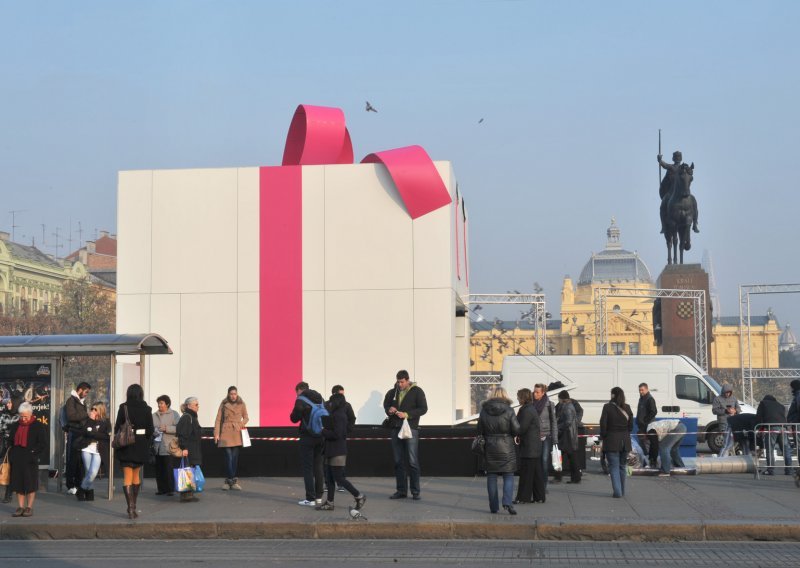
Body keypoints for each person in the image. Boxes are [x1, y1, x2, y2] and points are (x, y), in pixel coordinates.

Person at [316, 392, 366, 512]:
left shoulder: (339, 415)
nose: (330, 404)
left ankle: (359, 496)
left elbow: (337, 434)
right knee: (330, 477)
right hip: (331, 450)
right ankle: (329, 502)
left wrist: (324, 431)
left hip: (337, 451)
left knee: (339, 478)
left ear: (337, 402)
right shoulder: (337, 414)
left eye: (332, 402)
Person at [383, 370, 428, 500]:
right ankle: (401, 490)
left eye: (402, 382)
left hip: (411, 429)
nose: (400, 384)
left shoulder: (417, 391)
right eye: (398, 382)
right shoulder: (392, 392)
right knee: (398, 461)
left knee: (412, 461)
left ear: (408, 380)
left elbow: (423, 408)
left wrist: (407, 414)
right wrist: (389, 410)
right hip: (395, 428)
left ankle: (415, 491)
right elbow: (386, 405)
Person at [477, 387, 520, 515]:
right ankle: (507, 503)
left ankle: (493, 507)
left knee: (491, 477)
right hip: (506, 446)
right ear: (505, 396)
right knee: (508, 475)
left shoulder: (484, 410)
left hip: (490, 446)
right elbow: (517, 429)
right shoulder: (509, 410)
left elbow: (479, 429)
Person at [115, 384, 154, 519]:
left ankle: (130, 508)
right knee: (136, 476)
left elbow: (117, 427)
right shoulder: (147, 409)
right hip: (141, 445)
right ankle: (134, 506)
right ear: (141, 394)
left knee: (127, 477)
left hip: (126, 444)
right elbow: (150, 430)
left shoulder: (123, 407)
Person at [8, 402, 47, 517]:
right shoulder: (16, 425)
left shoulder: (38, 426)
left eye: (25, 416)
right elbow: (10, 440)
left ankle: (29, 507)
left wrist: (33, 453)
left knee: (30, 484)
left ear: (31, 414)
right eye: (21, 416)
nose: (23, 418)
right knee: (18, 484)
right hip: (17, 458)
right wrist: (12, 453)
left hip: (30, 459)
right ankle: (20, 507)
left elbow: (43, 444)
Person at [290, 381, 325, 507]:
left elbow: (294, 418)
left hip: (307, 436)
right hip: (321, 436)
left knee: (307, 468)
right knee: (318, 466)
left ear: (299, 390)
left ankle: (310, 498)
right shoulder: (320, 398)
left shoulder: (301, 400)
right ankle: (319, 497)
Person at [599, 387, 633, 498]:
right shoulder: (627, 408)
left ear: (613, 395)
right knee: (622, 467)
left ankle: (617, 492)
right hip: (625, 441)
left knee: (613, 467)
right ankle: (622, 491)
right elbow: (631, 427)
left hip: (612, 441)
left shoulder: (607, 407)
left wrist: (603, 436)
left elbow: (603, 425)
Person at [214, 386, 249, 491]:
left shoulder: (241, 403)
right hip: (226, 432)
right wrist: (216, 433)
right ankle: (231, 480)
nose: (233, 396)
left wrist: (240, 424)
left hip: (237, 432)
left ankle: (231, 481)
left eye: (235, 394)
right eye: (231, 394)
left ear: (237, 394)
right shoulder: (224, 404)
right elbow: (218, 419)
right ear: (228, 394)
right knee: (228, 457)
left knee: (234, 458)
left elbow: (246, 417)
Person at [514, 388, 544, 504]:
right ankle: (539, 497)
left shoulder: (526, 410)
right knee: (536, 474)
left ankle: (523, 498)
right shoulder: (530, 409)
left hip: (529, 447)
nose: (517, 398)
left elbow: (522, 428)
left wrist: (514, 431)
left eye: (518, 396)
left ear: (523, 397)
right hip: (534, 447)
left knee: (526, 474)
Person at [658, 151, 699, 233]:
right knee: (663, 206)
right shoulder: (673, 167)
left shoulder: (683, 169)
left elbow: (665, 165)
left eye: (678, 157)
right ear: (674, 158)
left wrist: (660, 160)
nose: (677, 159)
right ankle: (663, 226)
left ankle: (694, 224)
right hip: (671, 192)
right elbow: (665, 165)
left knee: (693, 202)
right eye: (677, 157)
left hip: (683, 192)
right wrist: (660, 160)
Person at [77, 402, 111, 501]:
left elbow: (106, 436)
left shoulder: (105, 421)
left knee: (93, 473)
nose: (92, 411)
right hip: (87, 448)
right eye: (92, 409)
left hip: (98, 450)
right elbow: (84, 432)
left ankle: (81, 489)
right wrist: (91, 421)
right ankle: (90, 493)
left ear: (101, 410)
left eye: (95, 409)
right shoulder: (88, 420)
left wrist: (92, 434)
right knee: (88, 472)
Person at [64, 381, 92, 494]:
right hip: (74, 433)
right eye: (86, 392)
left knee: (80, 460)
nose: (86, 394)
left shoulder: (81, 402)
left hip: (82, 433)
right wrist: (87, 414)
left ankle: (78, 484)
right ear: (80, 390)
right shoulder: (71, 401)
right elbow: (71, 416)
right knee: (72, 460)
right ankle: (71, 485)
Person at [756, 394, 792, 475]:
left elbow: (759, 417)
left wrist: (760, 429)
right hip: (783, 428)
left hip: (771, 428)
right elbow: (785, 417)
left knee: (770, 449)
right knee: (785, 449)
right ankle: (789, 470)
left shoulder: (763, 403)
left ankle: (770, 470)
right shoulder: (781, 405)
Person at [152, 395, 181, 496]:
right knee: (159, 469)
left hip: (169, 446)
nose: (159, 405)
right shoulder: (154, 415)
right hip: (157, 446)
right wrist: (155, 431)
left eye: (161, 403)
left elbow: (179, 428)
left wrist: (166, 428)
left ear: (167, 404)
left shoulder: (174, 414)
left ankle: (170, 489)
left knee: (168, 468)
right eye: (159, 403)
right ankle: (161, 489)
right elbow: (151, 429)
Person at [176, 396, 202, 503]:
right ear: (188, 405)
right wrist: (184, 448)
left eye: (197, 404)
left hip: (193, 448)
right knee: (187, 470)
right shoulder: (187, 417)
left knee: (189, 470)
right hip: (189, 449)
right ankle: (186, 495)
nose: (198, 406)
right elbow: (182, 435)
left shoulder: (192, 417)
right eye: (196, 404)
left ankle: (189, 493)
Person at [532, 384, 557, 488]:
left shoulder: (549, 404)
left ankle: (544, 485)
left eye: (537, 392)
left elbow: (554, 422)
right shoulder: (531, 404)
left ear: (543, 393)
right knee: (535, 460)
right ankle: (536, 484)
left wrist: (555, 439)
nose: (535, 394)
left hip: (546, 435)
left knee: (544, 460)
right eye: (534, 391)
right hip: (534, 436)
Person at [331, 385, 356, 492]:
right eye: (341, 394)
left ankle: (341, 483)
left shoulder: (347, 405)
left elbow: (352, 418)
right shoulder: (329, 404)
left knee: (340, 461)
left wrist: (346, 430)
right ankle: (329, 483)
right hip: (330, 437)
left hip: (340, 437)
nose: (343, 397)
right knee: (328, 462)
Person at [556, 390, 581, 484]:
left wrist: (558, 426)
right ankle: (575, 478)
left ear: (561, 398)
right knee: (572, 457)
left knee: (562, 456)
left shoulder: (567, 407)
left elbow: (568, 422)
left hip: (567, 436)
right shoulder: (569, 406)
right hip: (570, 435)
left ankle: (559, 477)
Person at [0, 396, 20, 503]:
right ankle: (8, 493)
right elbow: (1, 429)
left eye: (10, 403)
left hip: (17, 446)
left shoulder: (20, 415)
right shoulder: (4, 414)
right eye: (7, 403)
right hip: (6, 445)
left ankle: (9, 493)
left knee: (12, 470)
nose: (7, 404)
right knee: (6, 469)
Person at [712, 384, 741, 457]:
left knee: (732, 441)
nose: (727, 394)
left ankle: (729, 456)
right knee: (726, 442)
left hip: (733, 422)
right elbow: (714, 410)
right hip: (723, 422)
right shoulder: (717, 399)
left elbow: (739, 408)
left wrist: (735, 411)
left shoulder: (734, 399)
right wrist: (725, 411)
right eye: (726, 392)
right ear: (723, 392)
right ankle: (722, 457)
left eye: (729, 392)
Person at [636, 383, 658, 466]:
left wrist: (645, 421)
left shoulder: (649, 399)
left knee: (647, 444)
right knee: (642, 443)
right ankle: (645, 460)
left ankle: (650, 461)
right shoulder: (641, 398)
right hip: (642, 425)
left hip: (648, 426)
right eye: (639, 390)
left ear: (647, 389)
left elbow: (654, 411)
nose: (641, 392)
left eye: (642, 390)